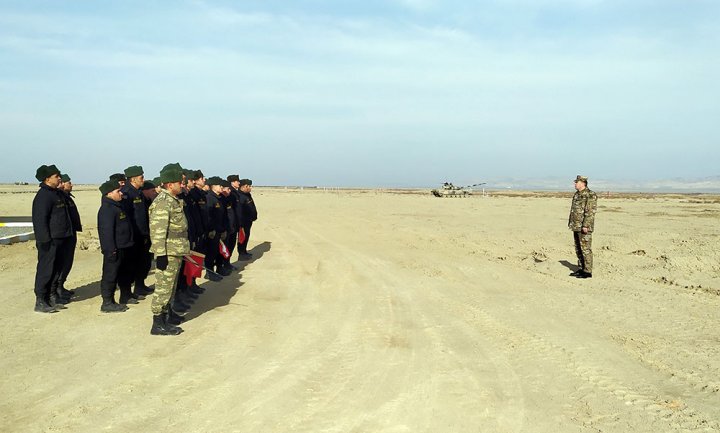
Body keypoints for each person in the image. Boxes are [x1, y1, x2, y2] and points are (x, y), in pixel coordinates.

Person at [148, 164, 189, 335]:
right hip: (168, 252)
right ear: (170, 184)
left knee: (171, 286)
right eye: (179, 182)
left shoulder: (173, 200)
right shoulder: (163, 203)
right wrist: (161, 254)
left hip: (176, 250)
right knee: (163, 288)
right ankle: (158, 323)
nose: (182, 185)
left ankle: (167, 314)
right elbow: (158, 231)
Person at [31, 164, 73, 313]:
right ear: (48, 179)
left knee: (56, 270)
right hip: (49, 241)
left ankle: (51, 297)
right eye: (56, 176)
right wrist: (45, 241)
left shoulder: (56, 194)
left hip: (61, 238)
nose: (59, 178)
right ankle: (41, 300)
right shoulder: (43, 196)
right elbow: (40, 220)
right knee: (46, 270)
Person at [97, 180, 134, 312]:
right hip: (114, 249)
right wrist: (110, 250)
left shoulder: (117, 206)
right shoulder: (107, 209)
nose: (121, 193)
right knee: (110, 275)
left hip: (123, 246)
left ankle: (125, 295)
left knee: (124, 272)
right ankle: (107, 302)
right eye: (118, 191)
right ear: (109, 193)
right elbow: (106, 232)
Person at [121, 165, 153, 298]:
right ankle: (127, 293)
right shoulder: (126, 193)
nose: (143, 180)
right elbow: (127, 217)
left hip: (143, 234)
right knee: (130, 265)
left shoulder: (138, 192)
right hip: (134, 235)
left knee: (143, 262)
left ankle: (140, 286)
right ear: (133, 179)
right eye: (141, 177)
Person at [51, 173, 82, 302]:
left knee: (67, 262)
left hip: (70, 233)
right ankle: (56, 289)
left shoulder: (66, 197)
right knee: (61, 263)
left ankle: (60, 286)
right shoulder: (59, 197)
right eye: (69, 182)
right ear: (62, 184)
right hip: (63, 234)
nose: (71, 184)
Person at [568, 175, 598, 279]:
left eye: (577, 182)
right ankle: (581, 268)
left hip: (584, 227)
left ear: (583, 183)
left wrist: (586, 225)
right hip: (576, 225)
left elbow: (590, 212)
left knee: (585, 248)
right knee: (578, 248)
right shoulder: (577, 194)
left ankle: (587, 271)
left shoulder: (590, 195)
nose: (575, 184)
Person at [203, 176, 228, 278]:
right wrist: (211, 230)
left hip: (220, 230)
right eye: (220, 185)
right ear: (213, 186)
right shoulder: (210, 198)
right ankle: (209, 272)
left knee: (217, 252)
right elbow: (208, 216)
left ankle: (219, 268)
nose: (222, 187)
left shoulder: (220, 198)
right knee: (211, 253)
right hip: (212, 231)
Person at [236, 178, 258, 260]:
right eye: (247, 186)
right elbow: (240, 211)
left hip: (248, 221)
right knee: (242, 238)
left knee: (247, 236)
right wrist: (240, 223)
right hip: (243, 221)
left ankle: (244, 251)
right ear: (242, 187)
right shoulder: (240, 196)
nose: (249, 187)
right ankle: (241, 253)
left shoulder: (247, 195)